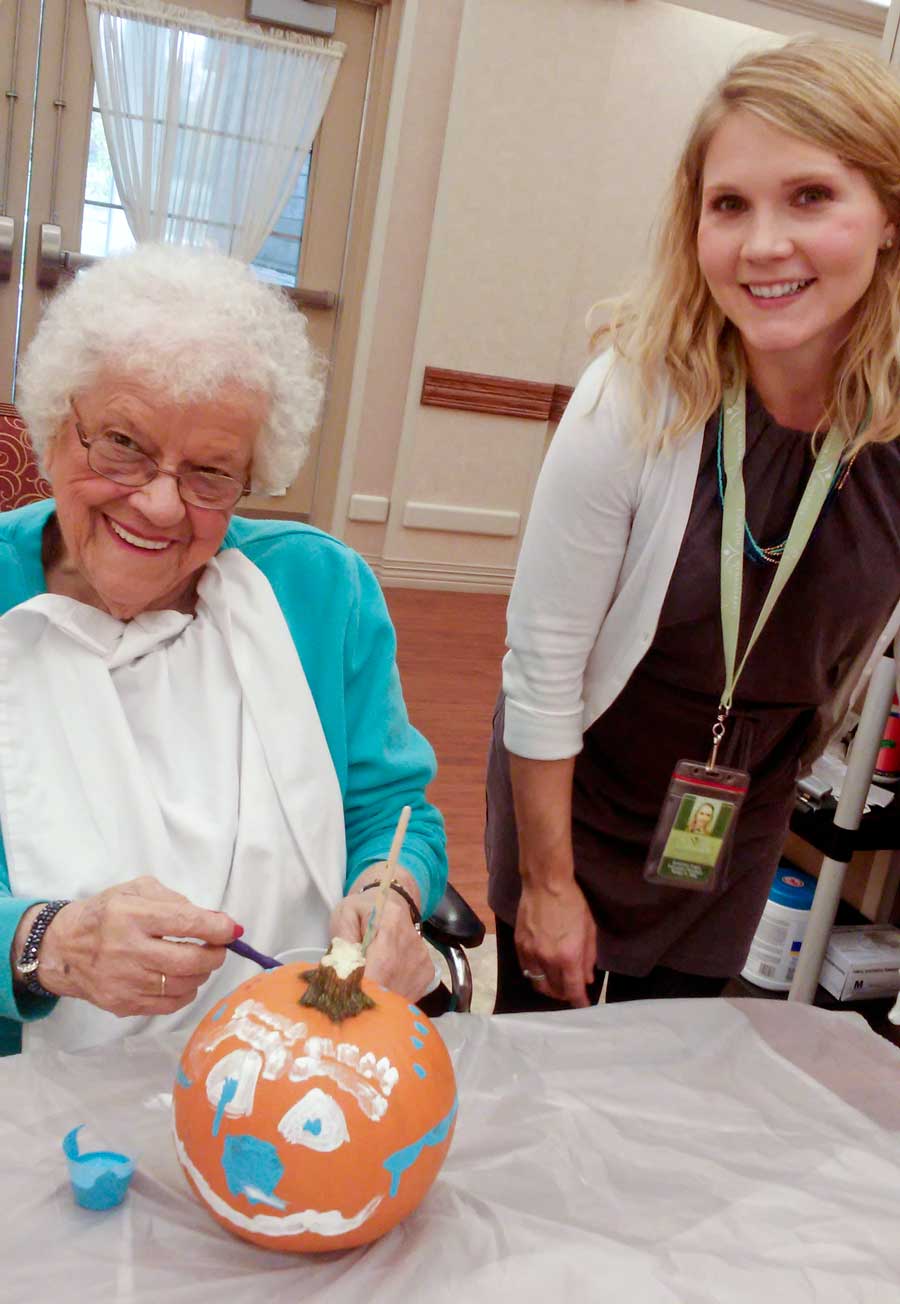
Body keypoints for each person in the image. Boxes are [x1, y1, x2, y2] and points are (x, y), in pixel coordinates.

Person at [486, 38, 900, 1014]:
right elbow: (543, 667)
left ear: (888, 214)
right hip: (583, 777)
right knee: (547, 1048)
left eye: (810, 196)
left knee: (673, 1058)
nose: (762, 244)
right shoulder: (631, 398)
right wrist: (547, 884)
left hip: (744, 798)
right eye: (730, 205)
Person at [0, 243, 447, 1055]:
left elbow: (391, 814)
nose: (163, 505)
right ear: (54, 429)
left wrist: (390, 897)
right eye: (123, 445)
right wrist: (49, 943)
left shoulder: (322, 592)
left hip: (299, 1072)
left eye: (210, 473)